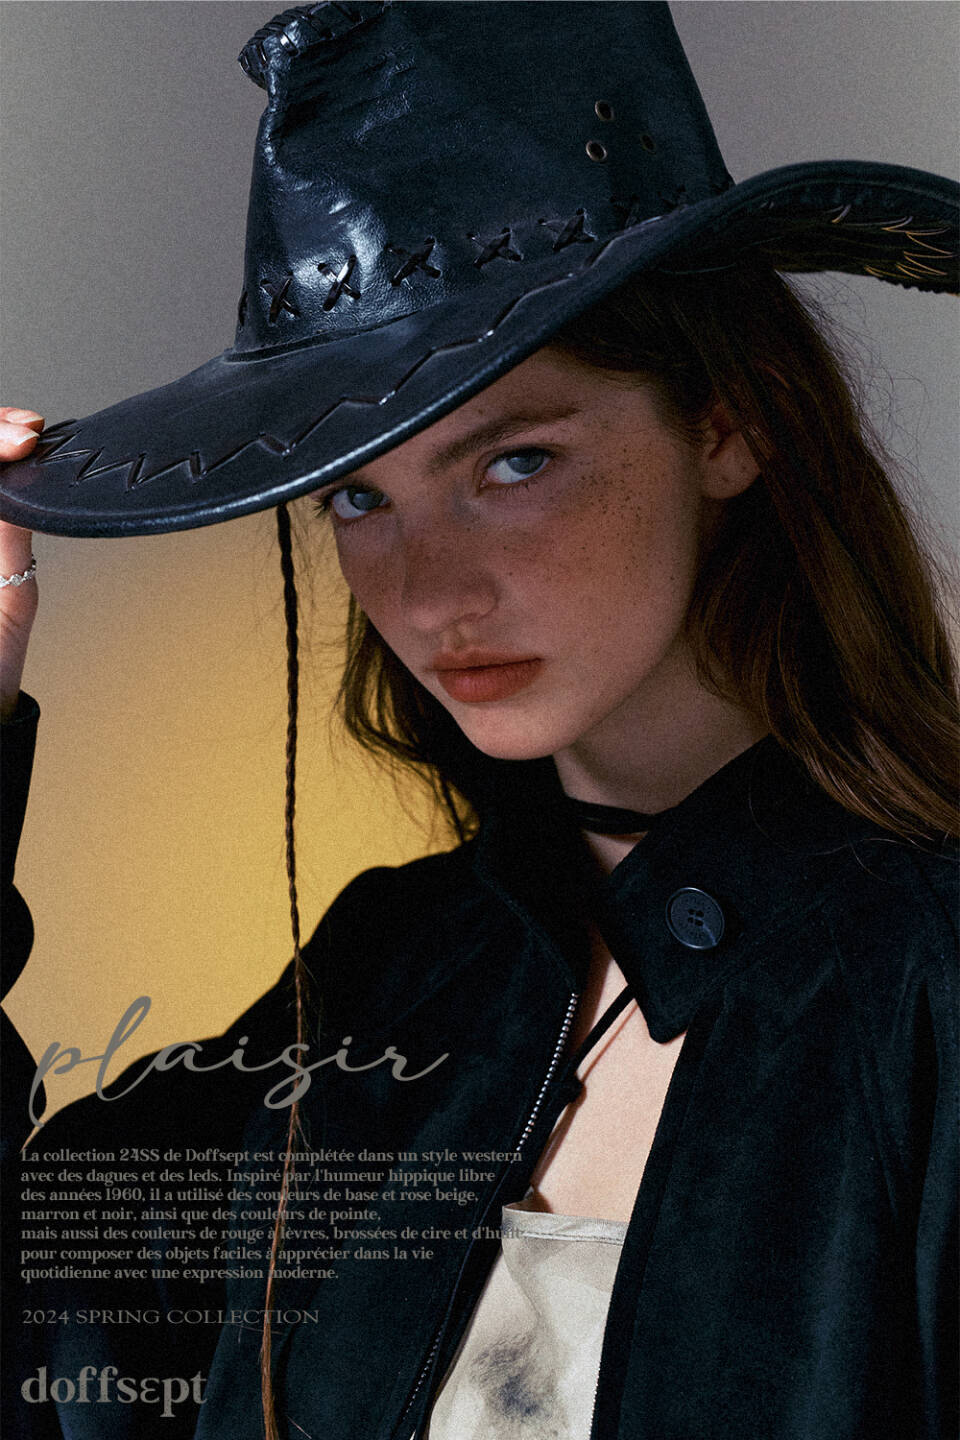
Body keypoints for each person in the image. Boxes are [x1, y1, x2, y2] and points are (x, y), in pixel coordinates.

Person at [1, 4, 957, 1438]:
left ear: (729, 422)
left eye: (514, 464)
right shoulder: (393, 977)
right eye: (359, 496)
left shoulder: (927, 989)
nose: (430, 591)